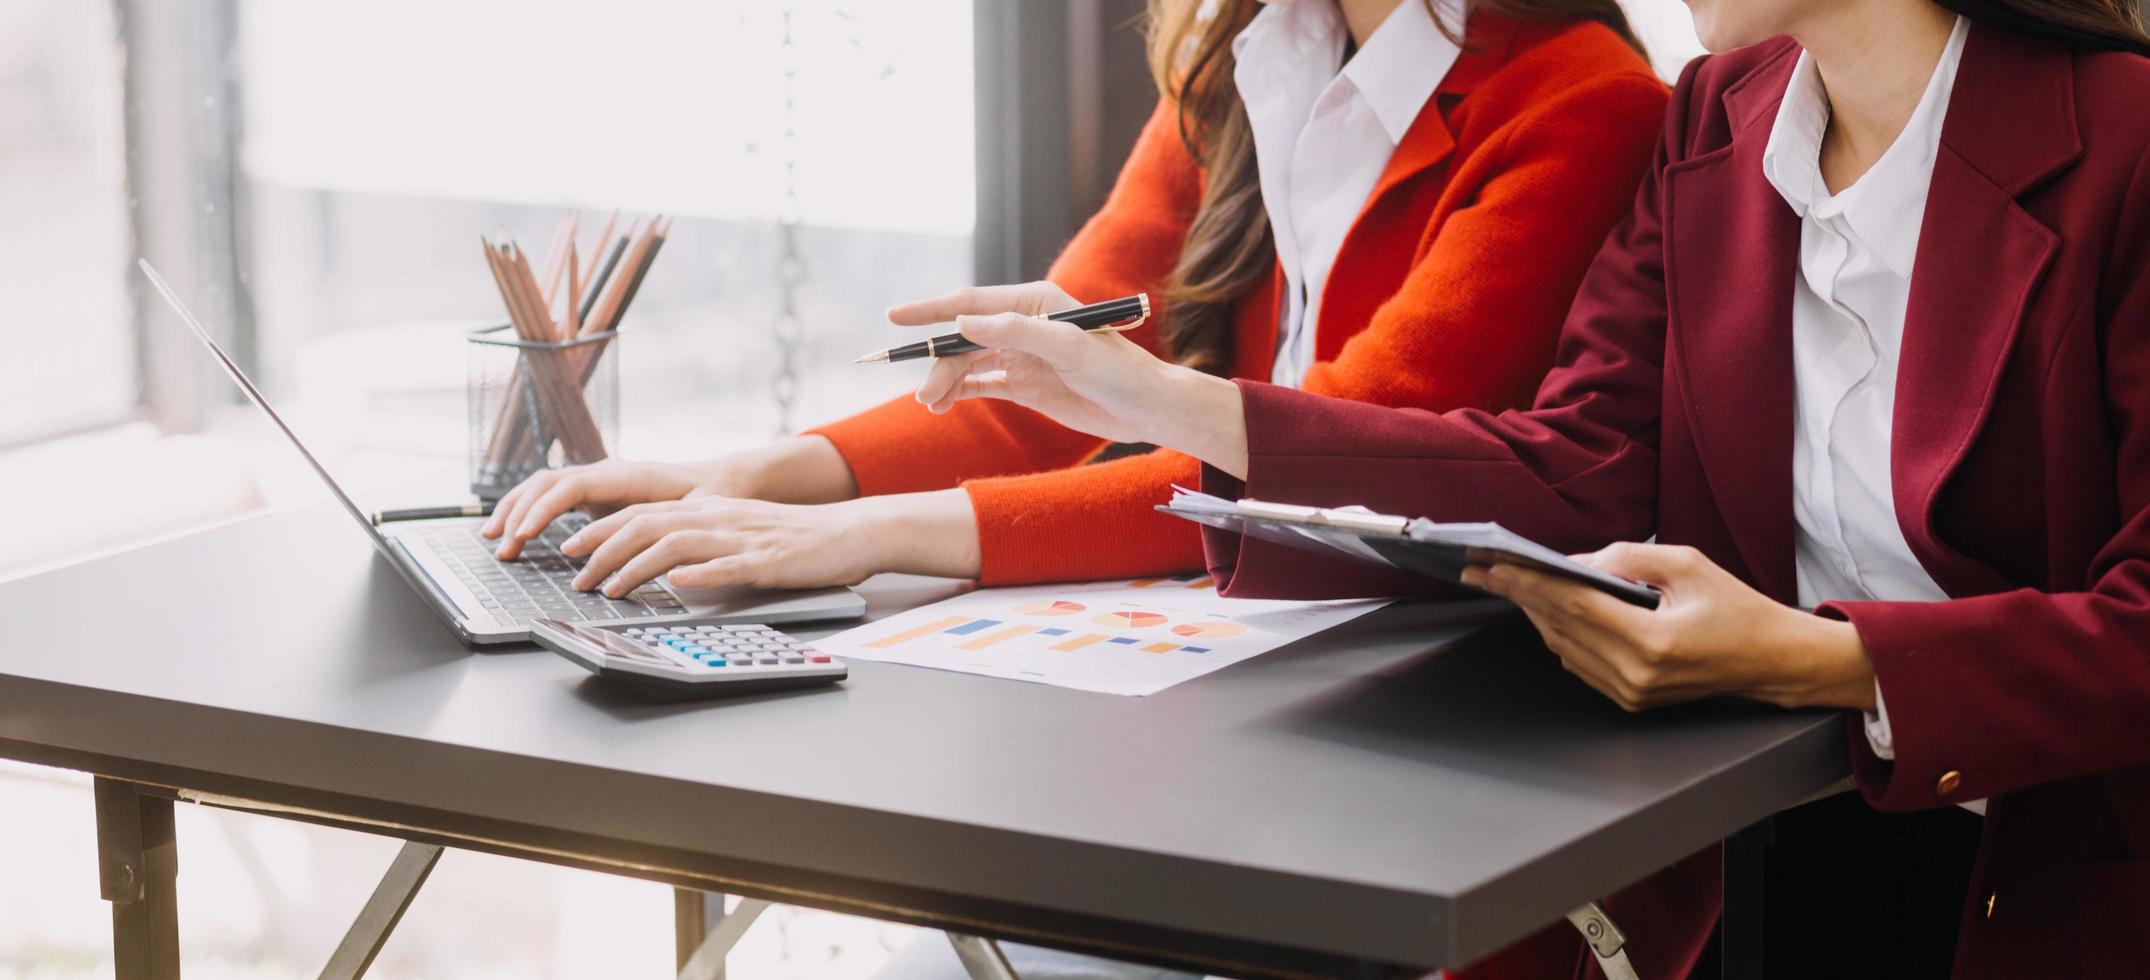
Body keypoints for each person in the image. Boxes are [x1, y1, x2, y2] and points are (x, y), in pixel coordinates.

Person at [907, 0, 2150, 971]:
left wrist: (1817, 657)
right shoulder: (1712, 120)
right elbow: (1573, 463)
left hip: (2054, 877)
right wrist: (1156, 401)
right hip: (1770, 856)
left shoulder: (2124, 146)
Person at [479, 0, 1668, 605]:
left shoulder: (1581, 106)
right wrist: (746, 476)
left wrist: (868, 536)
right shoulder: (1247, 57)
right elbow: (1044, 386)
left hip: (1420, 737)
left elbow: (1318, 485)